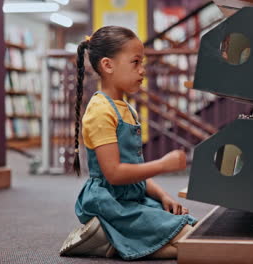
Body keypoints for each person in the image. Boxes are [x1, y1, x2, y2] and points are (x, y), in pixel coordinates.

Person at [59, 26, 197, 260]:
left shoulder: (128, 110)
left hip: (132, 197)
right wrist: (163, 165)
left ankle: (114, 241)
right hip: (110, 202)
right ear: (108, 65)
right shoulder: (100, 111)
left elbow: (134, 166)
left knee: (191, 230)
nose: (142, 71)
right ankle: (110, 238)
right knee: (191, 241)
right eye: (135, 62)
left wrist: (163, 196)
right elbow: (114, 173)